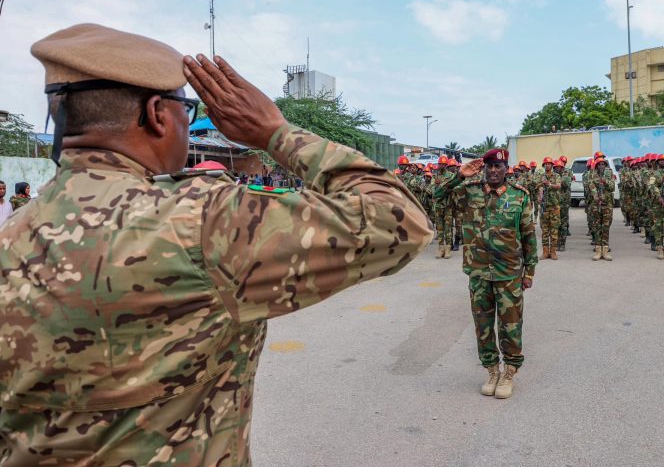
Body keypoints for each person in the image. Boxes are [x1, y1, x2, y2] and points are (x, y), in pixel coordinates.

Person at [0, 23, 432, 465]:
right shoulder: (201, 223)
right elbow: (400, 220)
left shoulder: (11, 233)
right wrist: (274, 132)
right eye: (185, 110)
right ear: (157, 114)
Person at [435, 149, 537, 399]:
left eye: (498, 166)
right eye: (489, 165)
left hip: (509, 273)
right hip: (479, 271)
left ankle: (509, 371)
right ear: (483, 168)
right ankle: (492, 370)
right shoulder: (469, 192)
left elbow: (528, 236)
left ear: (506, 168)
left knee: (511, 325)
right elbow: (437, 199)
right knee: (482, 325)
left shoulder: (519, 196)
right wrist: (459, 176)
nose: (493, 170)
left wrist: (530, 271)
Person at [589, 158, 615, 261]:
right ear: (596, 166)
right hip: (596, 204)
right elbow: (591, 185)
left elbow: (612, 187)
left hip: (607, 204)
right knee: (597, 226)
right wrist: (595, 195)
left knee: (605, 227)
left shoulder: (609, 174)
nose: (601, 166)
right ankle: (598, 250)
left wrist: (605, 182)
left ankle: (605, 250)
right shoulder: (593, 174)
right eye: (599, 164)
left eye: (603, 164)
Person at [537, 157, 562, 260]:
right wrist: (539, 196)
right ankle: (545, 252)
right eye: (545, 164)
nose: (547, 165)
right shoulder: (541, 176)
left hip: (554, 207)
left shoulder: (556, 176)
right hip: (544, 208)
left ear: (552, 165)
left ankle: (553, 252)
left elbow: (559, 186)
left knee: (554, 230)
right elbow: (538, 187)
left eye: (549, 164)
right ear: (544, 166)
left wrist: (549, 184)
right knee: (545, 231)